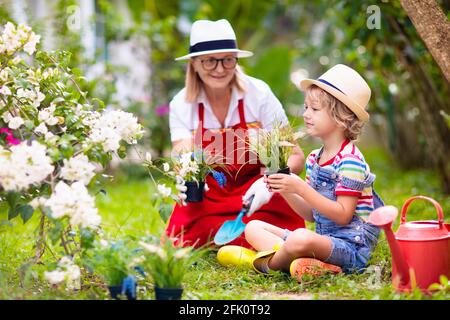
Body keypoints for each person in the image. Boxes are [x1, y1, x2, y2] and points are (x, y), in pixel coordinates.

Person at [166, 19, 306, 248]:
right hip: (210, 198)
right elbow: (181, 153)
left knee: (264, 226)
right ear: (194, 63)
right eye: (210, 61)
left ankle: (251, 236)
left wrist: (270, 181)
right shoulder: (181, 104)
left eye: (228, 60)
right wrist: (183, 174)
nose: (220, 70)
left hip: (258, 195)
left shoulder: (259, 94)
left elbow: (296, 156)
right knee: (184, 239)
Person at [244, 64, 384, 280]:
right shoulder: (314, 158)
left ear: (341, 117)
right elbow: (311, 214)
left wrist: (299, 186)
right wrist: (285, 187)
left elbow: (343, 214)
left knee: (300, 238)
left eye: (315, 109)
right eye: (306, 107)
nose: (306, 114)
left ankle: (269, 265)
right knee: (253, 227)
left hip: (350, 248)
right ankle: (307, 263)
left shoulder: (350, 161)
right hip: (323, 241)